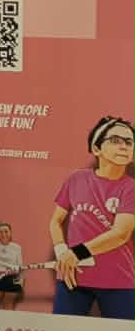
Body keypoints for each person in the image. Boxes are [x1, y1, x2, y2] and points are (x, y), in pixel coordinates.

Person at [49, 115, 135, 320]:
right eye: (115, 140)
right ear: (96, 149)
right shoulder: (76, 179)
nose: (123, 146)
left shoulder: (131, 188)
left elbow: (121, 234)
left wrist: (76, 253)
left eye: (129, 142)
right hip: (72, 277)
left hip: (118, 281)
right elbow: (56, 221)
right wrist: (62, 252)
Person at [0, 218, 24, 310]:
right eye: (0, 232)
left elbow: (20, 266)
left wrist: (21, 282)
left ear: (10, 233)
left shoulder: (17, 247)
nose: (3, 234)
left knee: (8, 307)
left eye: (6, 231)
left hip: (11, 278)